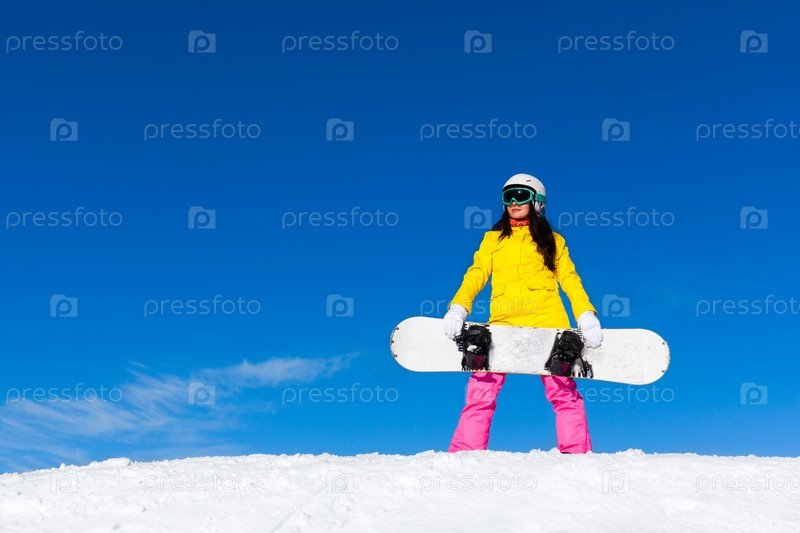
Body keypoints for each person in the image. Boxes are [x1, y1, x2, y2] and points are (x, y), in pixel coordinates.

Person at [443, 173, 603, 454]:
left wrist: (585, 313)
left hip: (548, 323)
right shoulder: (493, 240)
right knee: (481, 388)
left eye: (520, 196)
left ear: (537, 201)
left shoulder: (553, 241)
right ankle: (465, 454)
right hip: (503, 323)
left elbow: (569, 278)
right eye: (508, 197)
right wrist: (459, 307)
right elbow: (477, 273)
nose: (513, 203)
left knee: (562, 391)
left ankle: (576, 454)